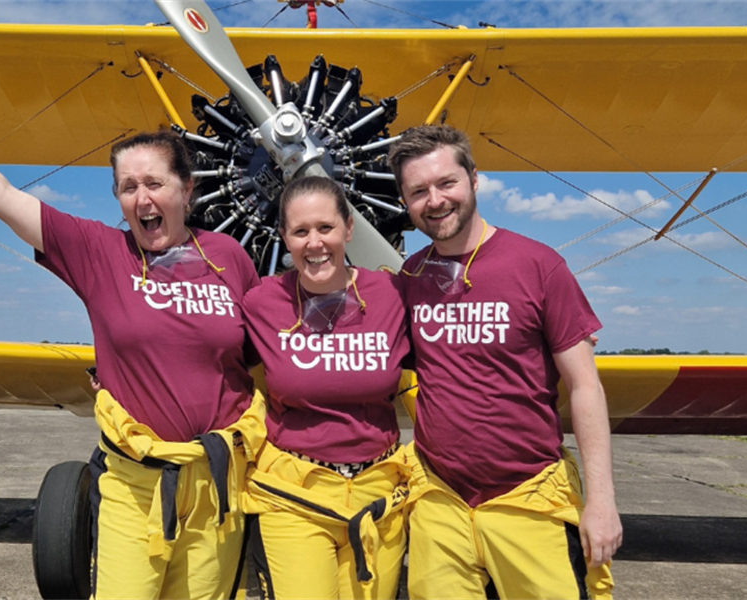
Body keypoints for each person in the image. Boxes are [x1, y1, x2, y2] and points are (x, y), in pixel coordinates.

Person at [0, 54, 263, 600]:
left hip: (215, 487)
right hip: (135, 484)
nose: (142, 198)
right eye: (127, 187)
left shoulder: (230, 257)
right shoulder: (99, 251)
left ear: (187, 190)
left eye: (155, 183)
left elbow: (260, 358)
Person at [386, 125, 622, 600]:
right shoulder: (411, 276)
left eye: (446, 183)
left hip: (529, 494)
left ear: (475, 179)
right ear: (405, 202)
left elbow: (584, 386)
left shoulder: (538, 265)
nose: (435, 200)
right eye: (418, 192)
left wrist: (601, 502)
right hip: (441, 499)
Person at [240, 176, 411, 600]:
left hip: (380, 493)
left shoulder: (392, 294)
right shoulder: (262, 301)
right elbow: (201, 352)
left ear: (348, 229)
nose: (314, 243)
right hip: (295, 493)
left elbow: (457, 347)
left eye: (325, 228)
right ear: (284, 237)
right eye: (300, 232)